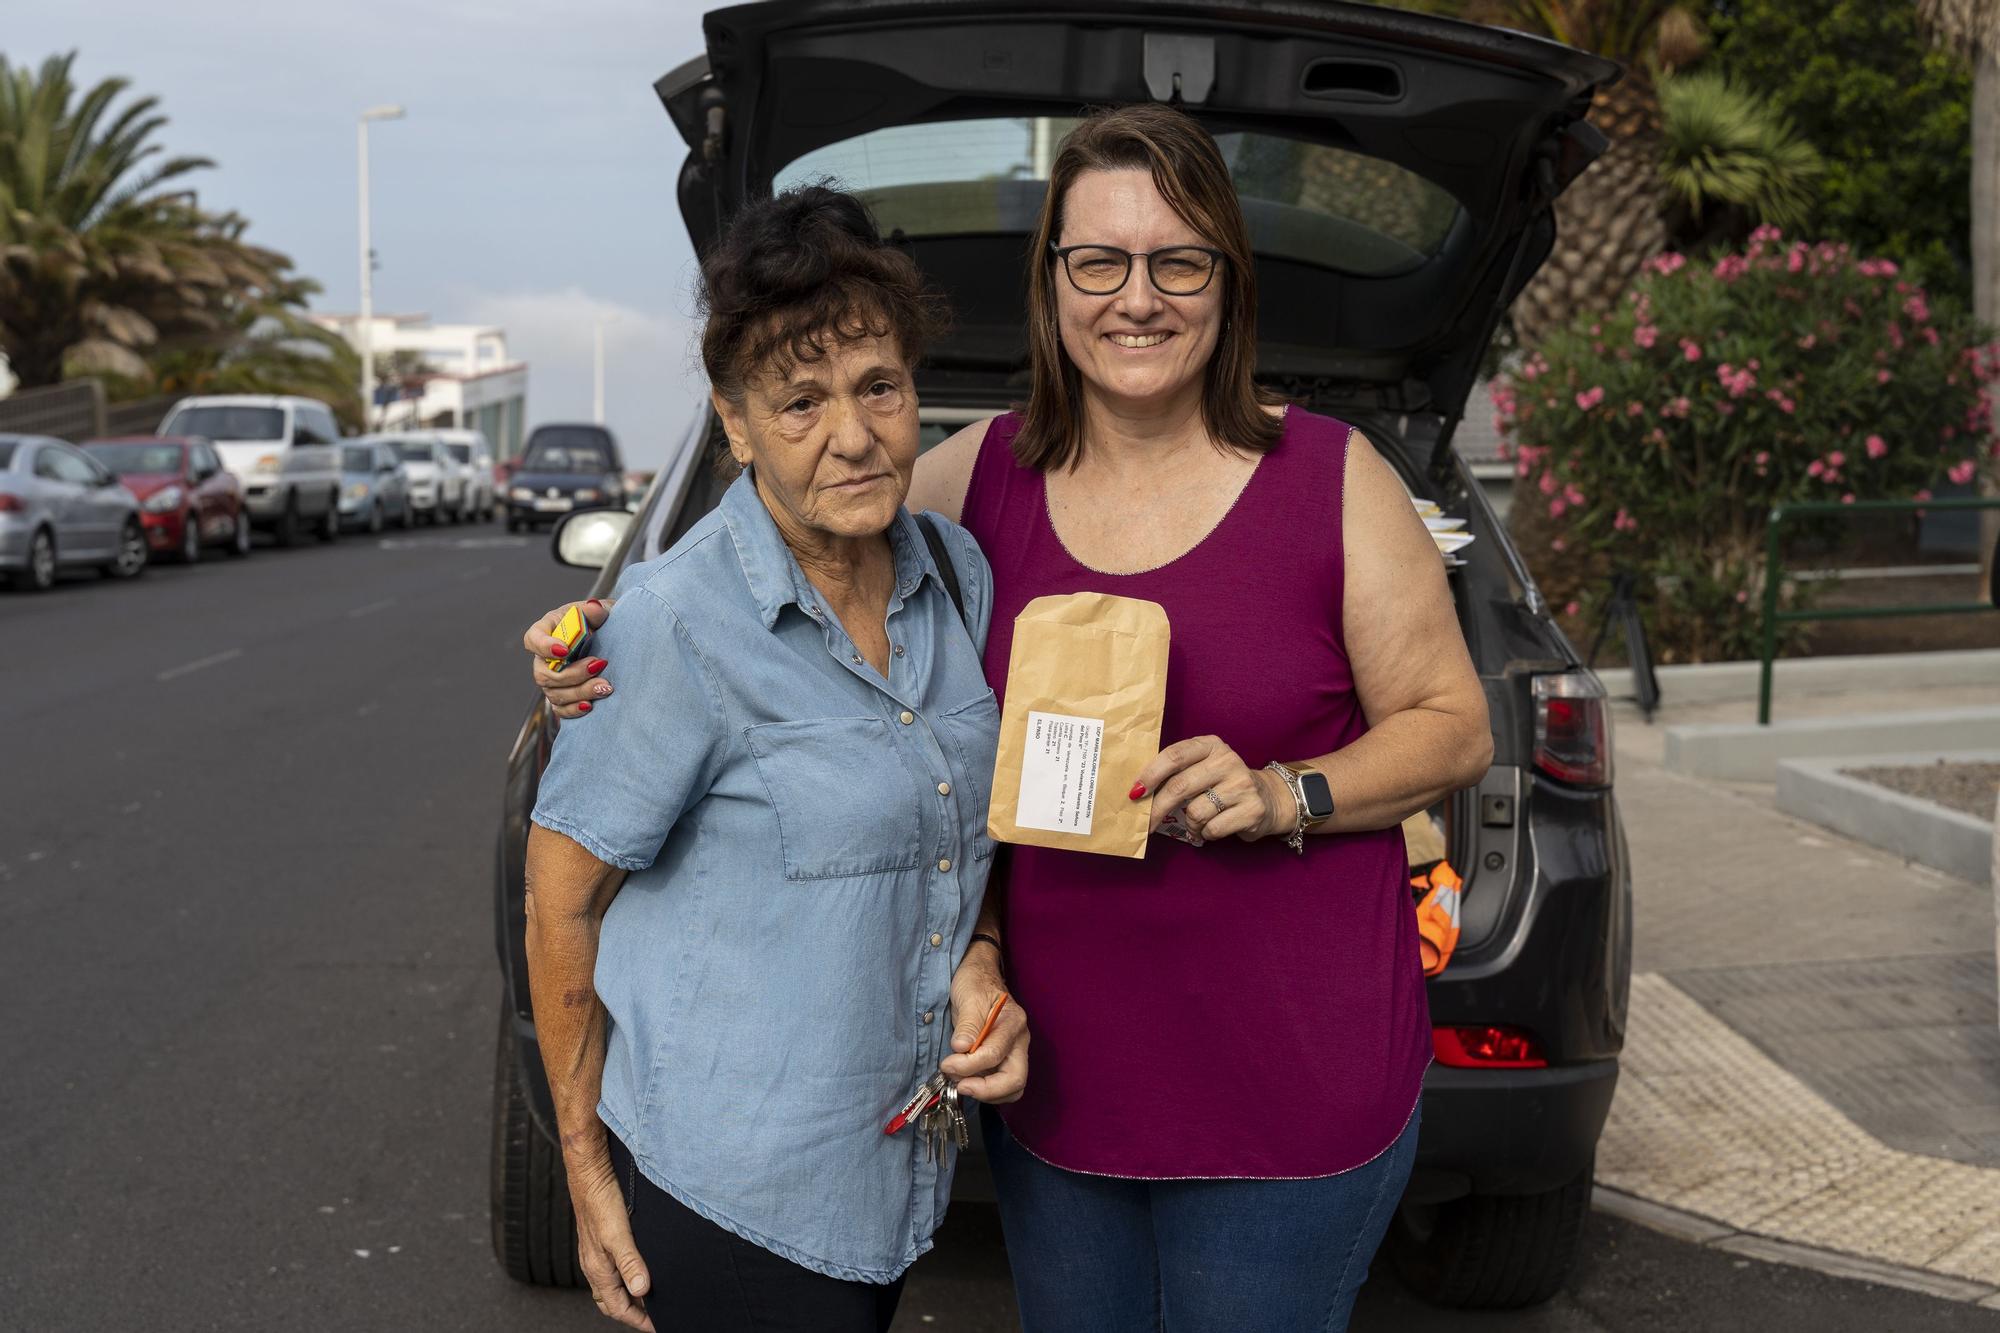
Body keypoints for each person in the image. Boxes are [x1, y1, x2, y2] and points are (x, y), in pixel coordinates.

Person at [527, 105, 1492, 1332]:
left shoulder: (1333, 479)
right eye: (1098, 260)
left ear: (1224, 281)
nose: (1134, 297)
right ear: (1052, 282)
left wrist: (1284, 790)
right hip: (1058, 1092)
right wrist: (588, 642)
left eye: (1176, 260)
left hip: (1291, 1082)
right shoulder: (969, 481)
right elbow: (790, 537)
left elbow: (1454, 725)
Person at [523, 185, 1028, 1333]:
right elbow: (559, 903)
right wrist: (586, 1163)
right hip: (731, 1198)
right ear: (735, 422)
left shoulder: (954, 575)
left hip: (889, 1178)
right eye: (799, 402)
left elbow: (957, 822)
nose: (852, 435)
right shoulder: (671, 624)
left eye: (878, 388)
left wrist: (979, 951)